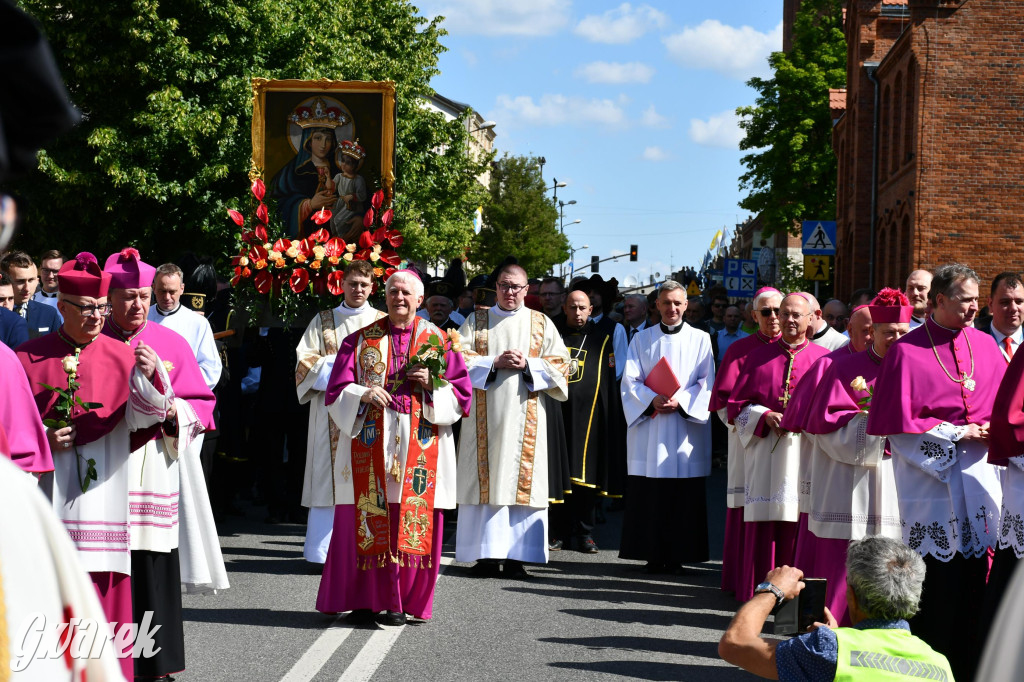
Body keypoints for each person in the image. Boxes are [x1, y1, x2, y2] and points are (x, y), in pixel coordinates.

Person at [16, 253, 170, 680]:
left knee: (105, 587)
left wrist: (153, 378)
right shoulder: (26, 357)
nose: (98, 316)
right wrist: (42, 440)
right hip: (46, 493)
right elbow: (8, 426)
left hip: (106, 492)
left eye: (102, 308)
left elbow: (149, 419)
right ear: (61, 307)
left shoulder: (124, 355)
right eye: (87, 308)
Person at [867, 263, 1005, 681]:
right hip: (932, 486)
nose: (973, 307)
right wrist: (957, 434)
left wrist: (990, 431)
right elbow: (897, 425)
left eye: (976, 300)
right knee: (938, 585)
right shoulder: (908, 350)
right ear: (939, 300)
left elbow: (1004, 408)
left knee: (978, 581)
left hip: (982, 479)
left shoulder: (985, 345)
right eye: (965, 299)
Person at [316, 270, 471, 624]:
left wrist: (433, 384)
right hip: (372, 442)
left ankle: (400, 603)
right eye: (392, 291)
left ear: (420, 300)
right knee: (367, 516)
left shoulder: (440, 341)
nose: (399, 298)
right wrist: (362, 393)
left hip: (420, 445)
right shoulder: (358, 340)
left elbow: (461, 397)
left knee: (409, 521)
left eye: (406, 293)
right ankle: (363, 600)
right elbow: (335, 393)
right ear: (383, 297)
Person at [101, 247, 221, 680]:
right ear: (109, 298)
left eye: (143, 296)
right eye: (128, 296)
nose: (138, 305)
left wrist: (170, 406)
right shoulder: (91, 340)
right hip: (104, 470)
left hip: (154, 467)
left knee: (151, 566)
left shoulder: (170, 342)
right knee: (107, 565)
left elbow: (202, 405)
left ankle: (156, 664)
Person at [794, 289, 909, 625]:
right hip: (846, 486)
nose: (897, 340)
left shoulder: (914, 369)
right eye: (889, 333)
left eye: (903, 333)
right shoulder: (841, 367)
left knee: (885, 564)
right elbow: (824, 430)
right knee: (838, 564)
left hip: (894, 483)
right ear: (873, 333)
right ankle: (824, 636)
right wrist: (880, 425)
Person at [456, 263, 570, 578]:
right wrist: (493, 361)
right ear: (496, 287)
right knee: (487, 480)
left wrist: (529, 365)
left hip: (526, 419)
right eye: (505, 285)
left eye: (517, 287)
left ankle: (519, 557)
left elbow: (563, 365)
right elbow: (455, 360)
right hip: (484, 418)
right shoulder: (476, 321)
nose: (510, 292)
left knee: (522, 484)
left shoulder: (541, 323)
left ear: (526, 289)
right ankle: (486, 556)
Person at [718, 536, 954, 681]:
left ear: (851, 595)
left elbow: (735, 644)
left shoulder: (828, 650)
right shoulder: (940, 665)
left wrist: (772, 590)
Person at [727, 293, 830, 598]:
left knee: (803, 519)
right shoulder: (757, 358)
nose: (788, 320)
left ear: (811, 318)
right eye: (784, 314)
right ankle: (760, 590)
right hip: (767, 452)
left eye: (797, 315)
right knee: (766, 522)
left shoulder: (824, 359)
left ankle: (798, 594)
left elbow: (832, 409)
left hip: (806, 453)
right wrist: (764, 415)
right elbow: (735, 407)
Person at [620, 280, 715, 572]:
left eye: (677, 303)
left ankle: (678, 555)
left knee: (683, 496)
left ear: (686, 305)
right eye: (666, 303)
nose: (672, 308)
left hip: (685, 431)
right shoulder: (641, 339)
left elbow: (707, 381)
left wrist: (682, 401)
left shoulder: (701, 339)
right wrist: (652, 399)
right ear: (656, 305)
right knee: (650, 493)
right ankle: (651, 553)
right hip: (650, 426)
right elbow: (629, 380)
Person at [295, 260, 385, 565]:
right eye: (352, 283)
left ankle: (367, 547)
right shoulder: (324, 321)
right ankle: (321, 555)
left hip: (371, 413)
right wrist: (341, 364)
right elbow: (304, 363)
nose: (358, 289)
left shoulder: (383, 321)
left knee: (369, 479)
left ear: (373, 287)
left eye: (364, 284)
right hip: (330, 414)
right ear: (341, 284)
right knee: (327, 478)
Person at [711, 287, 782, 597]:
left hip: (793, 449)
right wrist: (757, 419)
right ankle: (746, 577)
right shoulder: (740, 350)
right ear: (754, 316)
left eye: (779, 310)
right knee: (748, 510)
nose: (774, 317)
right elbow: (724, 405)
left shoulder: (802, 349)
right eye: (766, 312)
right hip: (751, 445)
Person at [551, 291, 624, 553]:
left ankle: (585, 534)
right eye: (573, 308)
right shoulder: (552, 334)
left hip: (590, 419)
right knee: (558, 477)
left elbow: (608, 383)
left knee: (586, 480)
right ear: (565, 308)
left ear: (591, 309)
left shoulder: (602, 340)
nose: (578, 313)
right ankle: (556, 532)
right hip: (557, 415)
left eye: (582, 308)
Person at [270, 98, 345, 238]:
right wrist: (308, 205)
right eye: (318, 138)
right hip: (303, 239)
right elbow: (275, 205)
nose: (324, 144)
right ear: (308, 141)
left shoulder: (340, 172)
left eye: (328, 139)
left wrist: (357, 217)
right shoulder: (291, 172)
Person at [148, 262, 223, 391]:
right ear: (154, 288)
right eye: (162, 291)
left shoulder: (198, 323)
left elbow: (210, 368)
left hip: (184, 395)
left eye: (172, 292)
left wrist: (181, 387)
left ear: (182, 289)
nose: (167, 297)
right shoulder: (143, 317)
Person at [3, 249, 63, 338]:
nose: (27, 288)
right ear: (5, 282)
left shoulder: (49, 314)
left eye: (31, 280)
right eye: (20, 281)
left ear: (37, 281)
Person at [975, 271, 1023, 363]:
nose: (1013, 308)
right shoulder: (973, 343)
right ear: (990, 304)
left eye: (1019, 301)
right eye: (1005, 302)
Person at [330, 138, 368, 239]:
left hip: (352, 205)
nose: (344, 164)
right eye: (343, 161)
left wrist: (352, 196)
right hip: (340, 202)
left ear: (355, 166)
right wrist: (326, 176)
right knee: (332, 217)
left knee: (339, 220)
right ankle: (335, 237)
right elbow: (332, 187)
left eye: (348, 163)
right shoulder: (339, 176)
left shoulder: (358, 179)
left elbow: (362, 195)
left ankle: (343, 239)